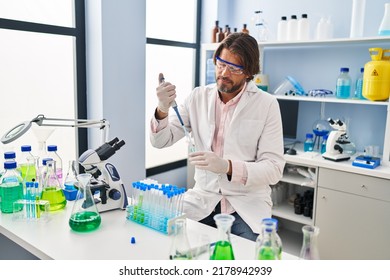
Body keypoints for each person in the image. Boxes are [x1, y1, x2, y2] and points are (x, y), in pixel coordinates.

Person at [150, 32, 285, 241]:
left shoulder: (266, 104)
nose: (224, 73)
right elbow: (160, 141)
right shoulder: (198, 97)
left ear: (249, 72)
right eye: (221, 64)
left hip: (245, 205)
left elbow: (274, 169)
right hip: (203, 199)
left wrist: (228, 167)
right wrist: (162, 109)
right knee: (171, 243)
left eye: (234, 68)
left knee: (244, 259)